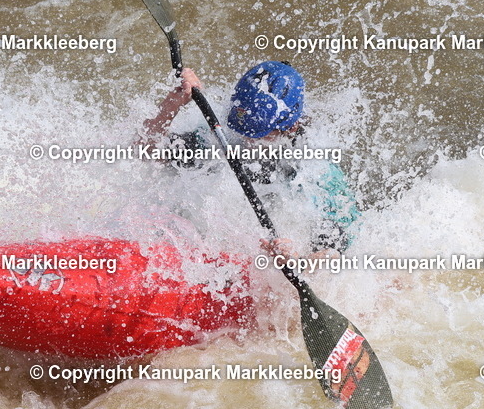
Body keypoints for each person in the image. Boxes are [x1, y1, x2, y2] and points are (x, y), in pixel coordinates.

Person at [141, 61, 360, 260]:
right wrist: (172, 105)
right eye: (243, 129)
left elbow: (340, 248)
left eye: (259, 133)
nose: (248, 139)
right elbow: (144, 153)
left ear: (290, 127)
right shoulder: (219, 137)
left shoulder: (314, 170)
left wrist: (299, 261)